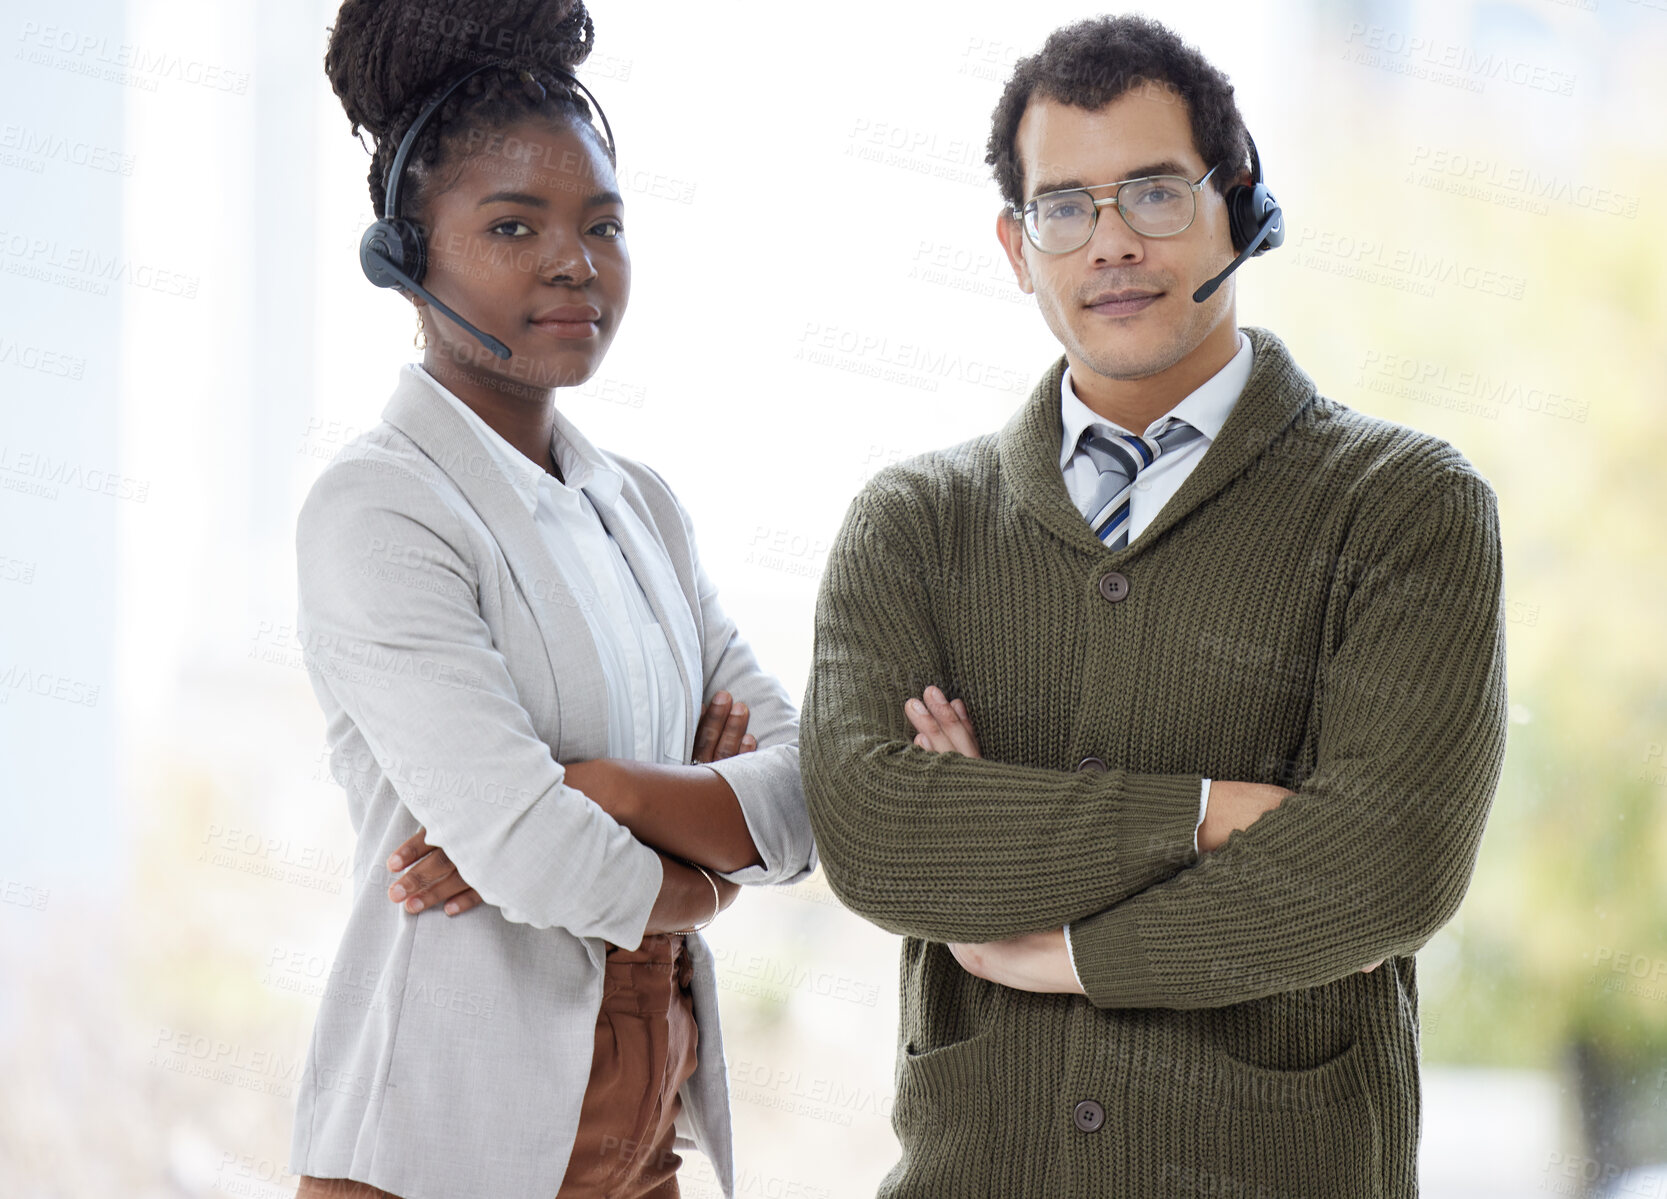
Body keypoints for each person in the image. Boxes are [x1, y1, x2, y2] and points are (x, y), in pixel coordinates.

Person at [800, 15, 1506, 1198]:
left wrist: (1061, 948)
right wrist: (1212, 811)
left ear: (1240, 206)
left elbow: (1387, 863)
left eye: (1154, 192)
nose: (1110, 242)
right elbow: (876, 834)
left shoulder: (1403, 506)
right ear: (1016, 247)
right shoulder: (913, 522)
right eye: (1063, 207)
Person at [289, 3, 813, 1197]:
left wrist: (607, 791)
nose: (574, 261)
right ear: (404, 256)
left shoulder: (642, 506)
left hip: (643, 1148)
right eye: (512, 224)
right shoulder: (378, 509)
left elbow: (802, 789)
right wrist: (697, 873)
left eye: (603, 225)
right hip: (445, 1148)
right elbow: (527, 854)